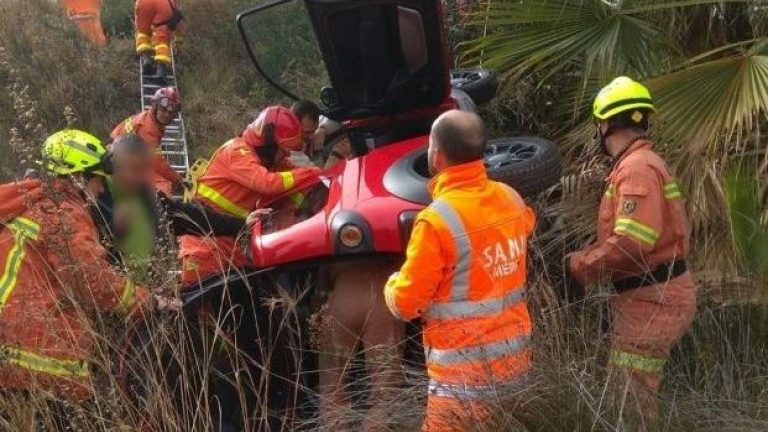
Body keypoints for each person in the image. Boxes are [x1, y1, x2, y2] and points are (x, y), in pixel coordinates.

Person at [0, 130, 177, 407]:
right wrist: (151, 301)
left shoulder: (34, 201)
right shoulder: (64, 213)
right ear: (78, 177)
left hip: (11, 338)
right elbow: (92, 281)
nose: (102, 189)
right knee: (82, 414)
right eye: (97, 180)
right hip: (34, 347)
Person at [384, 110, 536, 431]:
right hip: (516, 370)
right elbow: (522, 228)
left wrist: (392, 285)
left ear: (437, 156)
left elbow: (407, 304)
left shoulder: (435, 221)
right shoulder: (511, 199)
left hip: (461, 384)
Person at [566, 77, 697, 419]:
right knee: (630, 397)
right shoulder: (640, 163)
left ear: (606, 124)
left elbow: (632, 243)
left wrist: (578, 266)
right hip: (650, 294)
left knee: (629, 403)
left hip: (653, 299)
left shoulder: (636, 168)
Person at [179, 105, 320, 285]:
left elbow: (296, 178)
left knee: (248, 292)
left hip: (230, 237)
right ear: (269, 144)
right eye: (283, 148)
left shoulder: (268, 160)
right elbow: (267, 183)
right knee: (204, 297)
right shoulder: (237, 152)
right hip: (204, 240)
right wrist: (311, 173)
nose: (287, 153)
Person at [90, 134, 246, 282]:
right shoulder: (94, 197)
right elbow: (87, 258)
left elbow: (190, 216)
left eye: (141, 169)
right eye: (129, 167)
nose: (134, 176)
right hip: (115, 294)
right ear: (112, 164)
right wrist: (113, 229)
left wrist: (242, 226)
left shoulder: (148, 196)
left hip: (150, 289)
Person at [110, 87, 184, 196]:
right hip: (118, 160)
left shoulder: (151, 120)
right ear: (155, 106)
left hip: (124, 155)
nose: (166, 115)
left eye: (170, 113)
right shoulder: (148, 127)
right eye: (163, 110)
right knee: (163, 184)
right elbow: (157, 162)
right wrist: (178, 179)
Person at [134, 0, 184, 80]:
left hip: (143, 3)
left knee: (143, 33)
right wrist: (178, 44)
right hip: (164, 5)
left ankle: (146, 59)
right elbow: (179, 28)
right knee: (162, 42)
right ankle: (161, 71)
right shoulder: (175, 11)